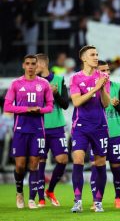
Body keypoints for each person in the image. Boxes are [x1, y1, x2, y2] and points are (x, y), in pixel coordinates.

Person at [4, 55, 54, 209]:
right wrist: (27, 109)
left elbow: (50, 106)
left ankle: (32, 199)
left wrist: (39, 110)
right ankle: (19, 193)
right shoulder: (16, 84)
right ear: (23, 65)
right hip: (20, 129)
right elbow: (7, 106)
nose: (31, 66)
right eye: (28, 64)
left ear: (36, 65)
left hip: (38, 130)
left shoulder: (44, 84)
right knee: (20, 165)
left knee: (34, 164)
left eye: (34, 63)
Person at [69, 45, 110, 213]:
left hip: (100, 126)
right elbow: (77, 102)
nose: (96, 57)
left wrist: (101, 88)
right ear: (83, 58)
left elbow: (106, 104)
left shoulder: (103, 77)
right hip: (81, 126)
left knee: (100, 163)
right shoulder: (75, 78)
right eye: (92, 54)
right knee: (78, 160)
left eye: (97, 54)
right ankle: (77, 200)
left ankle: (98, 201)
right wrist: (95, 88)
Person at [35, 53, 69, 207]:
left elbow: (65, 104)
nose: (32, 68)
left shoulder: (59, 80)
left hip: (56, 127)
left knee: (63, 159)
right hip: (39, 127)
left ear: (42, 64)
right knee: (40, 160)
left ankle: (51, 190)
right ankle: (41, 197)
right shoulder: (33, 83)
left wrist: (55, 94)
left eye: (35, 64)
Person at [93, 60, 120, 209]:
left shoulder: (118, 87)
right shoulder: (91, 89)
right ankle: (96, 200)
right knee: (97, 166)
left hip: (115, 133)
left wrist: (118, 105)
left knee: (116, 166)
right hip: (97, 133)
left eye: (108, 70)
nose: (106, 73)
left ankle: (118, 198)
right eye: (102, 70)